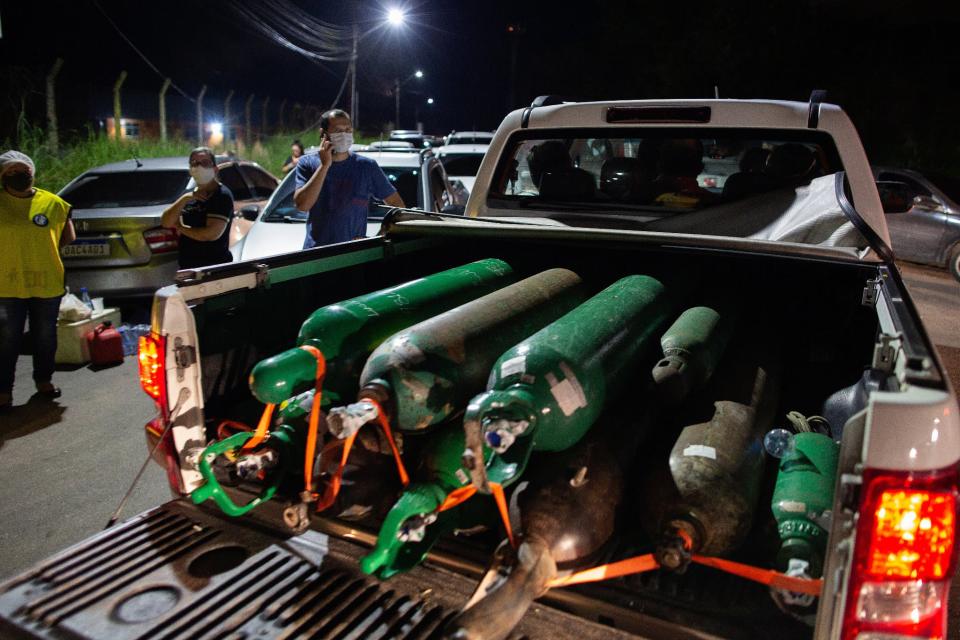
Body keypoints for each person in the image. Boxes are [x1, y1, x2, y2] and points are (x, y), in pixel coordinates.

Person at [0, 150, 76, 410]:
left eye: (21, 170)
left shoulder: (54, 203)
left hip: (47, 283)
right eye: (10, 171)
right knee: (7, 338)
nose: (17, 175)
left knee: (45, 336)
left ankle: (44, 381)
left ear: (32, 172)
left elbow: (68, 237)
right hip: (7, 285)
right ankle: (4, 391)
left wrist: (44, 252)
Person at [294, 109, 405, 249]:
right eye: (338, 130)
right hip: (316, 254)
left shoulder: (366, 167)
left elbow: (397, 205)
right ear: (323, 134)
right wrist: (324, 166)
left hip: (352, 255)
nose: (344, 135)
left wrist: (379, 237)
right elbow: (302, 205)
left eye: (348, 130)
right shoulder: (307, 163)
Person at [161, 147, 235, 269]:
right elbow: (166, 222)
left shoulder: (221, 195)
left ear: (215, 169)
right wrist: (185, 198)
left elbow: (210, 234)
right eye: (194, 163)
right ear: (190, 170)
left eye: (205, 163)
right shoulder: (188, 195)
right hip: (188, 267)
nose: (199, 167)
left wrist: (180, 227)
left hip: (214, 269)